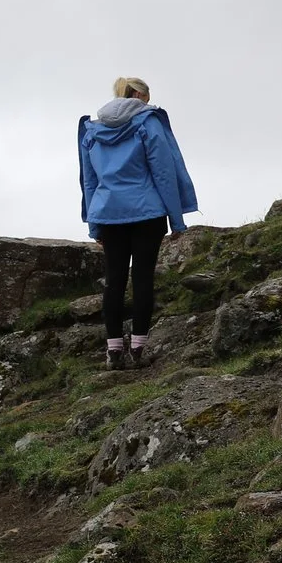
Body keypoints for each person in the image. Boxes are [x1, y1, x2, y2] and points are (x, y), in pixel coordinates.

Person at [77, 76, 199, 369]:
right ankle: (140, 348)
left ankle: (114, 349)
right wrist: (177, 221)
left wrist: (93, 224)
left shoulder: (91, 131)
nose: (148, 101)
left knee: (115, 279)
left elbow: (89, 182)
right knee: (142, 277)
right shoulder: (148, 123)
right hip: (147, 213)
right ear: (136, 94)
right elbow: (164, 173)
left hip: (108, 214)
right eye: (146, 96)